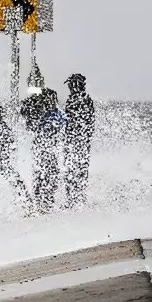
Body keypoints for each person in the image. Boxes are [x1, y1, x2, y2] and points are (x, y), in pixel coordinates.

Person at [0, 106, 31, 217]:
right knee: (16, 182)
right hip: (2, 161)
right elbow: (11, 143)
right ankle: (26, 204)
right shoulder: (5, 128)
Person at [26, 88, 66, 213]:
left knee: (47, 177)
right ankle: (42, 203)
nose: (48, 101)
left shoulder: (55, 115)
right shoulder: (48, 114)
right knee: (42, 177)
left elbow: (33, 127)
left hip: (47, 150)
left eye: (49, 99)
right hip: (42, 150)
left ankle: (45, 203)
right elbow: (31, 126)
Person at [63, 73, 96, 206]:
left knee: (73, 170)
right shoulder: (86, 99)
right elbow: (90, 123)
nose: (70, 87)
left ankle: (73, 200)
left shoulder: (76, 100)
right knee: (79, 171)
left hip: (75, 142)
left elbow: (70, 121)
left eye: (71, 85)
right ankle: (77, 199)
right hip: (81, 142)